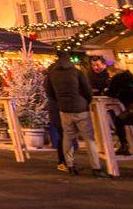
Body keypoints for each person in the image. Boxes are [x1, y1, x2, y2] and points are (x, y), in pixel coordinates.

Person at [44, 50, 110, 178]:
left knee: (68, 137)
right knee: (89, 138)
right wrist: (86, 101)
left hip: (64, 109)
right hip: (80, 109)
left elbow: (49, 93)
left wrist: (61, 102)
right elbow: (87, 90)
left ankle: (70, 165)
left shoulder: (52, 74)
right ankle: (96, 167)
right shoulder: (77, 72)